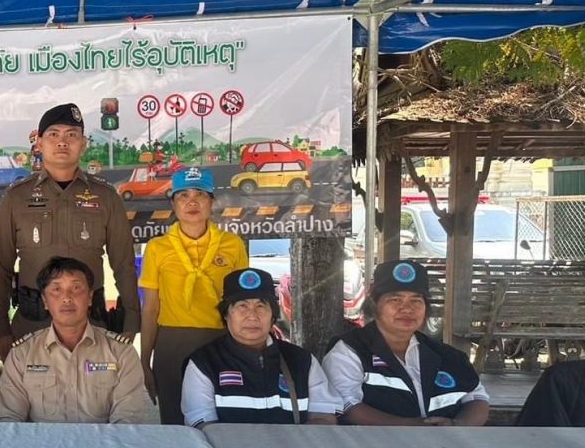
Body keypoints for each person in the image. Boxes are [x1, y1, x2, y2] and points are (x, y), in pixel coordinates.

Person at [0, 103, 140, 358]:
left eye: (71, 134)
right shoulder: (17, 197)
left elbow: (124, 265)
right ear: (39, 143)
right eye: (53, 134)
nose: (62, 142)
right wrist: (2, 329)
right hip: (32, 328)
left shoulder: (105, 196)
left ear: (83, 143)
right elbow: (1, 266)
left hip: (92, 328)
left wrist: (131, 323)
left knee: (94, 386)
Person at [138, 168, 248, 425]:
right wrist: (144, 361)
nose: (192, 202)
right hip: (172, 343)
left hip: (220, 340)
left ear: (212, 201)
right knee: (175, 422)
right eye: (183, 195)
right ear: (173, 204)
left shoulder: (232, 244)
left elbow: (242, 303)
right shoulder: (157, 248)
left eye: (200, 194)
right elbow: (151, 308)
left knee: (221, 420)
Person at [322, 260, 490, 426]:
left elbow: (477, 398)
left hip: (444, 442)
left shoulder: (445, 355)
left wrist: (457, 425)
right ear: (374, 305)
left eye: (416, 301)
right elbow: (347, 406)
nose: (407, 309)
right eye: (395, 300)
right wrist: (412, 426)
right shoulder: (350, 350)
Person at [0, 257, 148, 424]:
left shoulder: (121, 354)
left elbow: (127, 423)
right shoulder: (22, 355)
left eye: (76, 288)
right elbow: (10, 423)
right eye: (56, 289)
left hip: (103, 442)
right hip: (41, 441)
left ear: (90, 297)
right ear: (45, 301)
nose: (67, 298)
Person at [182, 268, 339, 426]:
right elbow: (203, 427)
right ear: (226, 314)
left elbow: (325, 418)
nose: (252, 316)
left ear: (273, 315)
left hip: (292, 443)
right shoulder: (204, 363)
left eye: (261, 306)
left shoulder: (302, 361)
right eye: (242, 306)